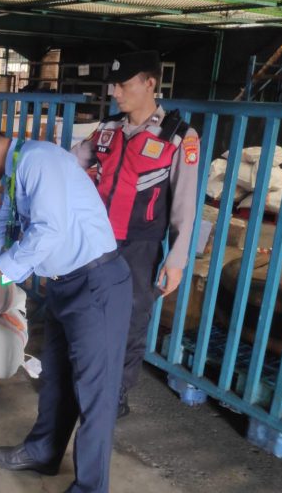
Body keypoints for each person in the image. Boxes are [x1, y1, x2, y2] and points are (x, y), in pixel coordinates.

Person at [0, 120, 132, 493]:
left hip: (96, 286)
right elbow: (7, 221)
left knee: (94, 395)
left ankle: (91, 488)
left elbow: (49, 230)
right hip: (66, 285)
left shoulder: (39, 161)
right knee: (56, 378)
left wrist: (0, 269)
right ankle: (44, 452)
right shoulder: (20, 167)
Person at [72, 50, 199, 418]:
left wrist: (176, 260)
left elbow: (185, 206)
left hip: (139, 248)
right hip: (95, 243)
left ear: (149, 83)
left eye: (123, 84)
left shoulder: (179, 137)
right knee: (86, 312)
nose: (115, 92)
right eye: (113, 84)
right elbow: (71, 163)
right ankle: (83, 382)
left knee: (130, 320)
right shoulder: (107, 130)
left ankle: (116, 394)